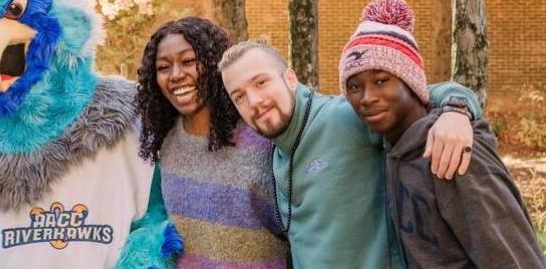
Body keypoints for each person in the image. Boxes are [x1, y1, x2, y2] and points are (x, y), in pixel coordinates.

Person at [218, 39, 483, 267]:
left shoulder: (344, 116)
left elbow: (423, 93)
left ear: (290, 78)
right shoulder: (277, 154)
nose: (254, 101)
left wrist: (456, 110)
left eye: (261, 82)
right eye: (239, 96)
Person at [340, 0, 546, 269]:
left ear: (411, 81)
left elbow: (517, 259)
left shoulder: (455, 154)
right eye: (354, 87)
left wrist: (458, 109)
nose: (367, 97)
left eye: (381, 81)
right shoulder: (391, 148)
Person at [134, 16, 287, 268]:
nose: (175, 75)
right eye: (163, 67)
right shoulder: (166, 144)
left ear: (214, 64)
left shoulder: (261, 137)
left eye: (189, 61)